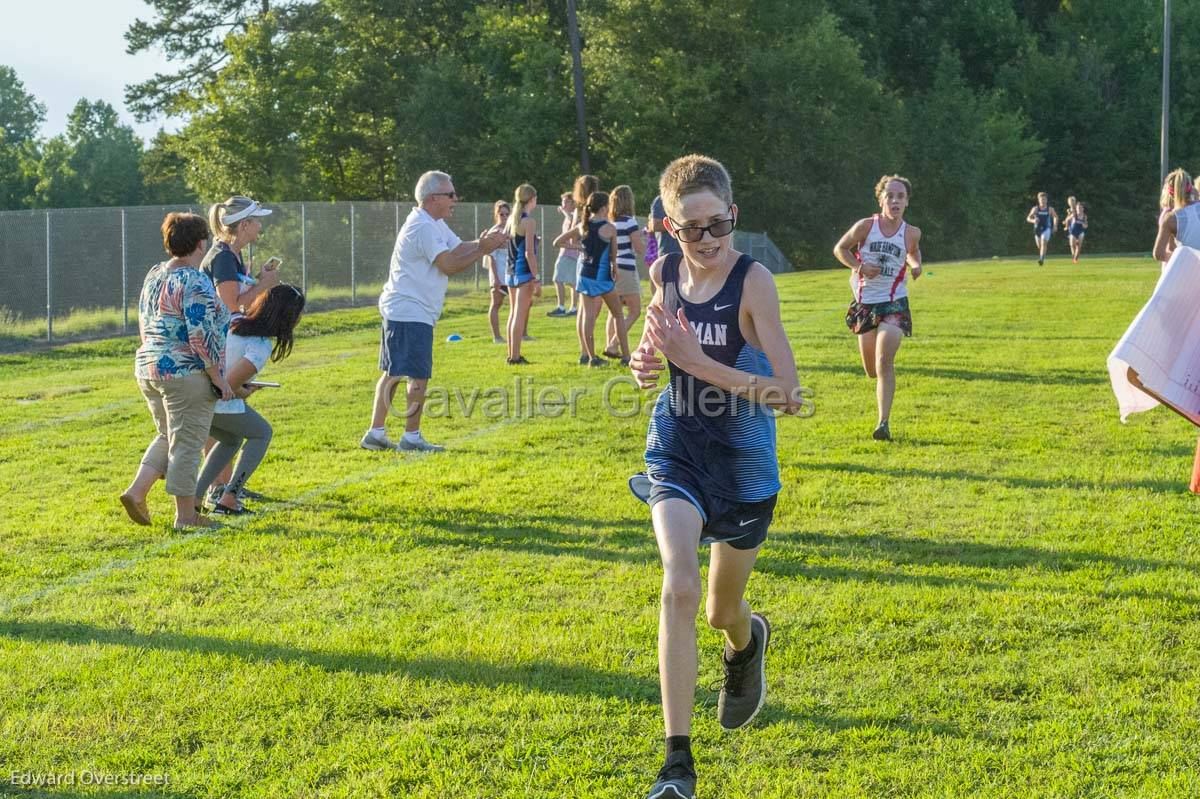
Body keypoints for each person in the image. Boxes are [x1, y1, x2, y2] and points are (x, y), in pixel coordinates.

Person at [626, 154, 804, 799]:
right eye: (688, 228)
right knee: (677, 583)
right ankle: (677, 765)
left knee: (718, 610)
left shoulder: (754, 283)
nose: (703, 241)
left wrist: (699, 362)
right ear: (669, 228)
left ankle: (744, 641)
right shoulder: (664, 271)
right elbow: (656, 348)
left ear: (734, 215)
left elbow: (789, 395)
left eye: (715, 225)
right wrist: (648, 363)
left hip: (745, 464)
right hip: (676, 446)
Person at [360, 170, 508, 452]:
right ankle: (410, 438)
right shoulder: (424, 227)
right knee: (416, 374)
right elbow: (449, 265)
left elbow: (458, 247)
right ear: (432, 198)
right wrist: (483, 249)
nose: (456, 199)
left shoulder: (433, 222)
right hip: (409, 309)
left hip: (408, 308)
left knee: (393, 372)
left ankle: (376, 434)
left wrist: (483, 244)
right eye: (450, 194)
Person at [120, 212, 233, 530]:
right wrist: (217, 378)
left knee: (168, 435)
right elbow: (200, 335)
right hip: (184, 373)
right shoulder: (195, 280)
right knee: (187, 442)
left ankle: (137, 491)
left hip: (149, 367)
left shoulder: (154, 274)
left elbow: (144, 322)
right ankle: (186, 517)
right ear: (200, 243)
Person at [196, 284, 306, 515]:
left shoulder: (236, 321)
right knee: (262, 432)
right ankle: (229, 499)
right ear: (287, 316)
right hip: (213, 400)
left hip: (198, 395)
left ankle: (196, 498)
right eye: (298, 313)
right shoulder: (260, 344)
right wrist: (245, 391)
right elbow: (226, 387)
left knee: (231, 439)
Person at [833, 174, 924, 442]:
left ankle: (883, 423)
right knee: (872, 369)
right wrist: (859, 267)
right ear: (881, 198)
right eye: (890, 196)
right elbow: (840, 249)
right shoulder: (865, 226)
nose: (895, 201)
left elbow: (913, 250)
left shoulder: (911, 232)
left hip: (895, 302)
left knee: (885, 361)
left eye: (901, 197)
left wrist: (916, 264)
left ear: (906, 202)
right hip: (865, 303)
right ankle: (882, 412)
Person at [552, 191, 630, 367]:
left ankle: (591, 357)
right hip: (602, 277)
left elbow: (557, 242)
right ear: (604, 208)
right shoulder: (609, 228)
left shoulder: (582, 225)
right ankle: (626, 356)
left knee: (587, 317)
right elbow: (613, 256)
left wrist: (579, 247)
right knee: (618, 314)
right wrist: (615, 269)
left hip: (585, 275)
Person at [203, 196, 280, 317]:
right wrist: (264, 284)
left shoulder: (232, 253)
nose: (260, 226)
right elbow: (231, 308)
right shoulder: (223, 258)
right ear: (244, 224)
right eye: (257, 220)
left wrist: (260, 282)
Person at [604, 185, 647, 359]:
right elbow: (638, 247)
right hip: (626, 269)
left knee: (614, 311)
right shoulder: (630, 221)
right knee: (635, 311)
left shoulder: (611, 222)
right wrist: (646, 242)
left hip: (612, 268)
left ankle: (610, 345)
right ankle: (614, 344)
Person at [504, 184, 540, 365]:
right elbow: (529, 253)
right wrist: (537, 277)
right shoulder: (529, 221)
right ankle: (516, 357)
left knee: (512, 314)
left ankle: (511, 354)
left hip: (510, 271)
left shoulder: (511, 219)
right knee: (519, 315)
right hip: (523, 272)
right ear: (532, 199)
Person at [1155, 168, 1195, 272]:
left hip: (1184, 273)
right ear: (1191, 188)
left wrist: (1187, 260)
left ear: (1169, 192)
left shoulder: (1171, 218)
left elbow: (1159, 253)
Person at [482, 200, 511, 344]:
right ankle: (497, 337)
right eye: (501, 214)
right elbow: (490, 258)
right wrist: (495, 279)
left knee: (521, 304)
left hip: (511, 273)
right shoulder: (494, 232)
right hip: (499, 274)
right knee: (496, 304)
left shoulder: (512, 230)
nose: (504, 217)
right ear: (496, 215)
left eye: (507, 214)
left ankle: (521, 334)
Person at [548, 193, 581, 317]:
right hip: (567, 252)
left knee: (558, 279)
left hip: (570, 253)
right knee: (571, 282)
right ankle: (573, 309)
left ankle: (562, 307)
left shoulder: (574, 215)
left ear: (573, 203)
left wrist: (563, 211)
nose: (563, 204)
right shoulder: (569, 216)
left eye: (566, 201)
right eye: (562, 202)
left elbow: (572, 222)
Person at [1025, 192, 1058, 266]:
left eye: (1044, 199)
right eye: (1041, 199)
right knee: (1039, 246)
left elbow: (1055, 217)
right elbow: (1028, 218)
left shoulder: (1050, 209)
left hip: (1047, 228)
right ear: (1038, 200)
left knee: (1043, 242)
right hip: (1037, 229)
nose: (1043, 201)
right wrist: (1033, 220)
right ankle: (1042, 255)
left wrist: (1055, 225)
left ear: (1047, 200)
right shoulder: (1035, 209)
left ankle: (1041, 259)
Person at [649, 193, 683, 258]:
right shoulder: (662, 200)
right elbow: (656, 225)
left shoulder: (688, 197)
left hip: (688, 253)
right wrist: (682, 224)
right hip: (668, 253)